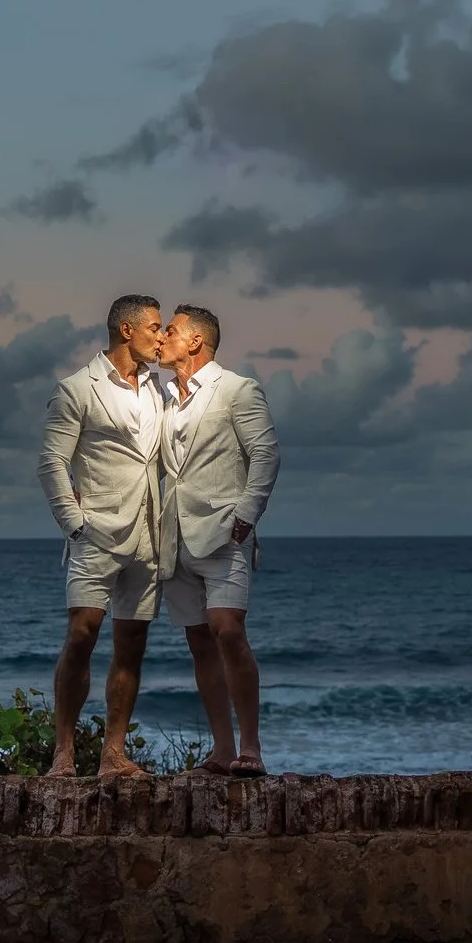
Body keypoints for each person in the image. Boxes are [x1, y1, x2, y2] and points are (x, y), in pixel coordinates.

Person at [36, 293, 171, 778]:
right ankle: (64, 753)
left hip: (149, 534)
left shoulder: (160, 390)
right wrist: (74, 523)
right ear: (126, 330)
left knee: (132, 642)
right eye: (155, 327)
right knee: (81, 634)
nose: (163, 335)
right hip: (94, 531)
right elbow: (51, 463)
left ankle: (112, 753)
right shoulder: (76, 388)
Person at [156, 303, 280, 777]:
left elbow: (265, 454)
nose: (162, 337)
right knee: (199, 643)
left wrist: (247, 516)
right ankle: (223, 751)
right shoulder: (164, 398)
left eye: (171, 330)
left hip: (225, 532)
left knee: (227, 628)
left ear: (195, 341)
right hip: (175, 536)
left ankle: (252, 748)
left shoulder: (237, 389)